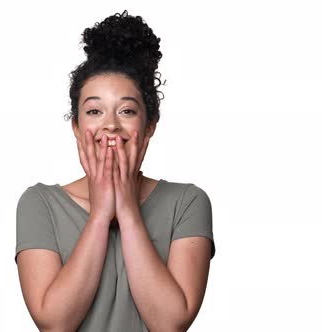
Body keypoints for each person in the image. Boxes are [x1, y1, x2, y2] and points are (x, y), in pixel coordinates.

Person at [15, 10, 216, 332]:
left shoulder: (188, 201)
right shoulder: (39, 202)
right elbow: (54, 323)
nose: (110, 124)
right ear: (78, 127)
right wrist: (99, 215)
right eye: (94, 111)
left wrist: (126, 208)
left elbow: (169, 324)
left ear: (149, 125)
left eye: (126, 110)